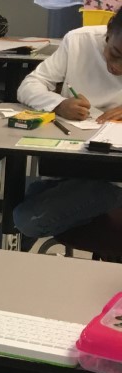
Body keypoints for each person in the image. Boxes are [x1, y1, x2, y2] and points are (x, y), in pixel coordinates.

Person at [13, 13, 122, 238]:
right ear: (109, 32)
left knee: (28, 219)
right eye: (115, 54)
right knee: (29, 205)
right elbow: (29, 85)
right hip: (71, 158)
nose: (117, 67)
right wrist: (59, 104)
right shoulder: (79, 41)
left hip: (115, 175)